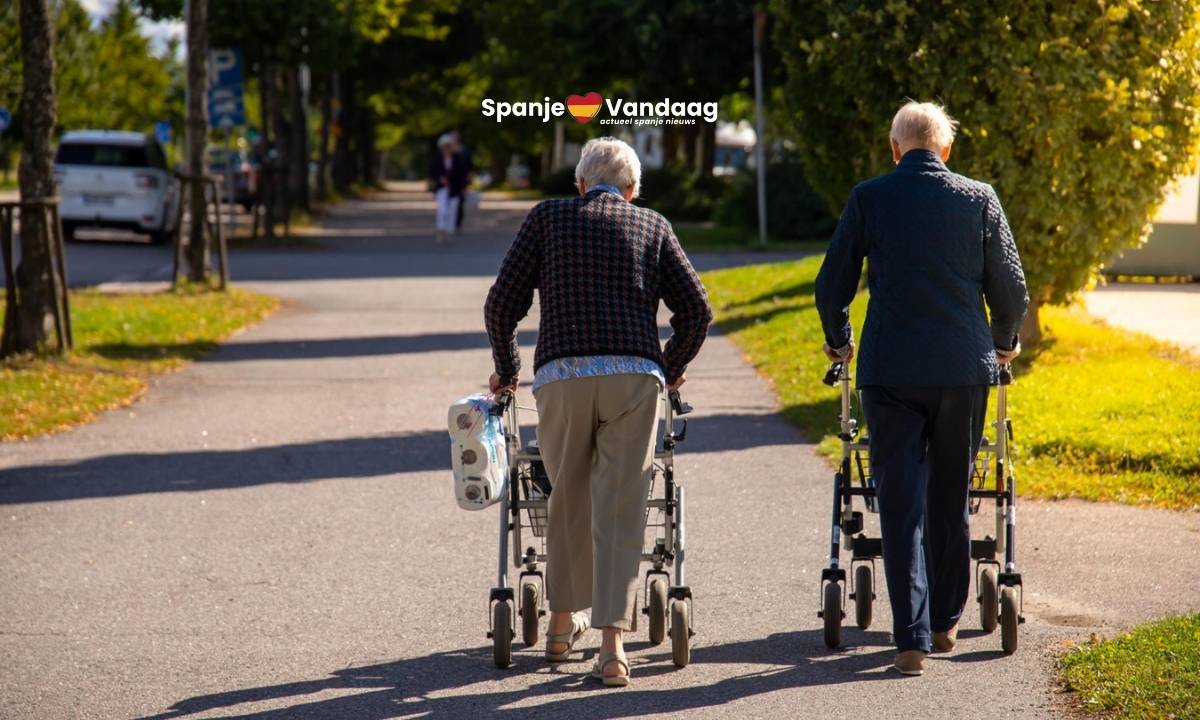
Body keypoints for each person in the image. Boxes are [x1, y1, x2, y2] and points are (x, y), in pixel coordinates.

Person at [484, 137, 712, 686]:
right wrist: (670, 365)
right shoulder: (652, 224)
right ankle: (613, 648)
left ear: (581, 184)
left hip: (562, 376)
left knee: (567, 497)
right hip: (634, 379)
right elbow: (697, 310)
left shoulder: (548, 218)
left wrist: (508, 369)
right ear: (632, 191)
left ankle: (560, 628)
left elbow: (501, 305)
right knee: (621, 503)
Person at [814, 101, 1028, 676]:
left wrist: (841, 341)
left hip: (889, 370)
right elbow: (1010, 287)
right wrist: (1004, 341)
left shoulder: (868, 197)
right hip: (962, 368)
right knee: (950, 495)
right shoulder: (978, 197)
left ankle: (910, 636)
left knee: (900, 500)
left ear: (894, 148)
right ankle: (945, 622)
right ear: (947, 151)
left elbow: (831, 284)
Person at [429, 133, 469, 244]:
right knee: (442, 209)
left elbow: (463, 174)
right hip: (442, 188)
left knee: (453, 208)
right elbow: (433, 172)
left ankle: (449, 230)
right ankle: (441, 229)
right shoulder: (437, 159)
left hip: (455, 189)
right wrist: (440, 179)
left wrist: (464, 186)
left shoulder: (457, 159)